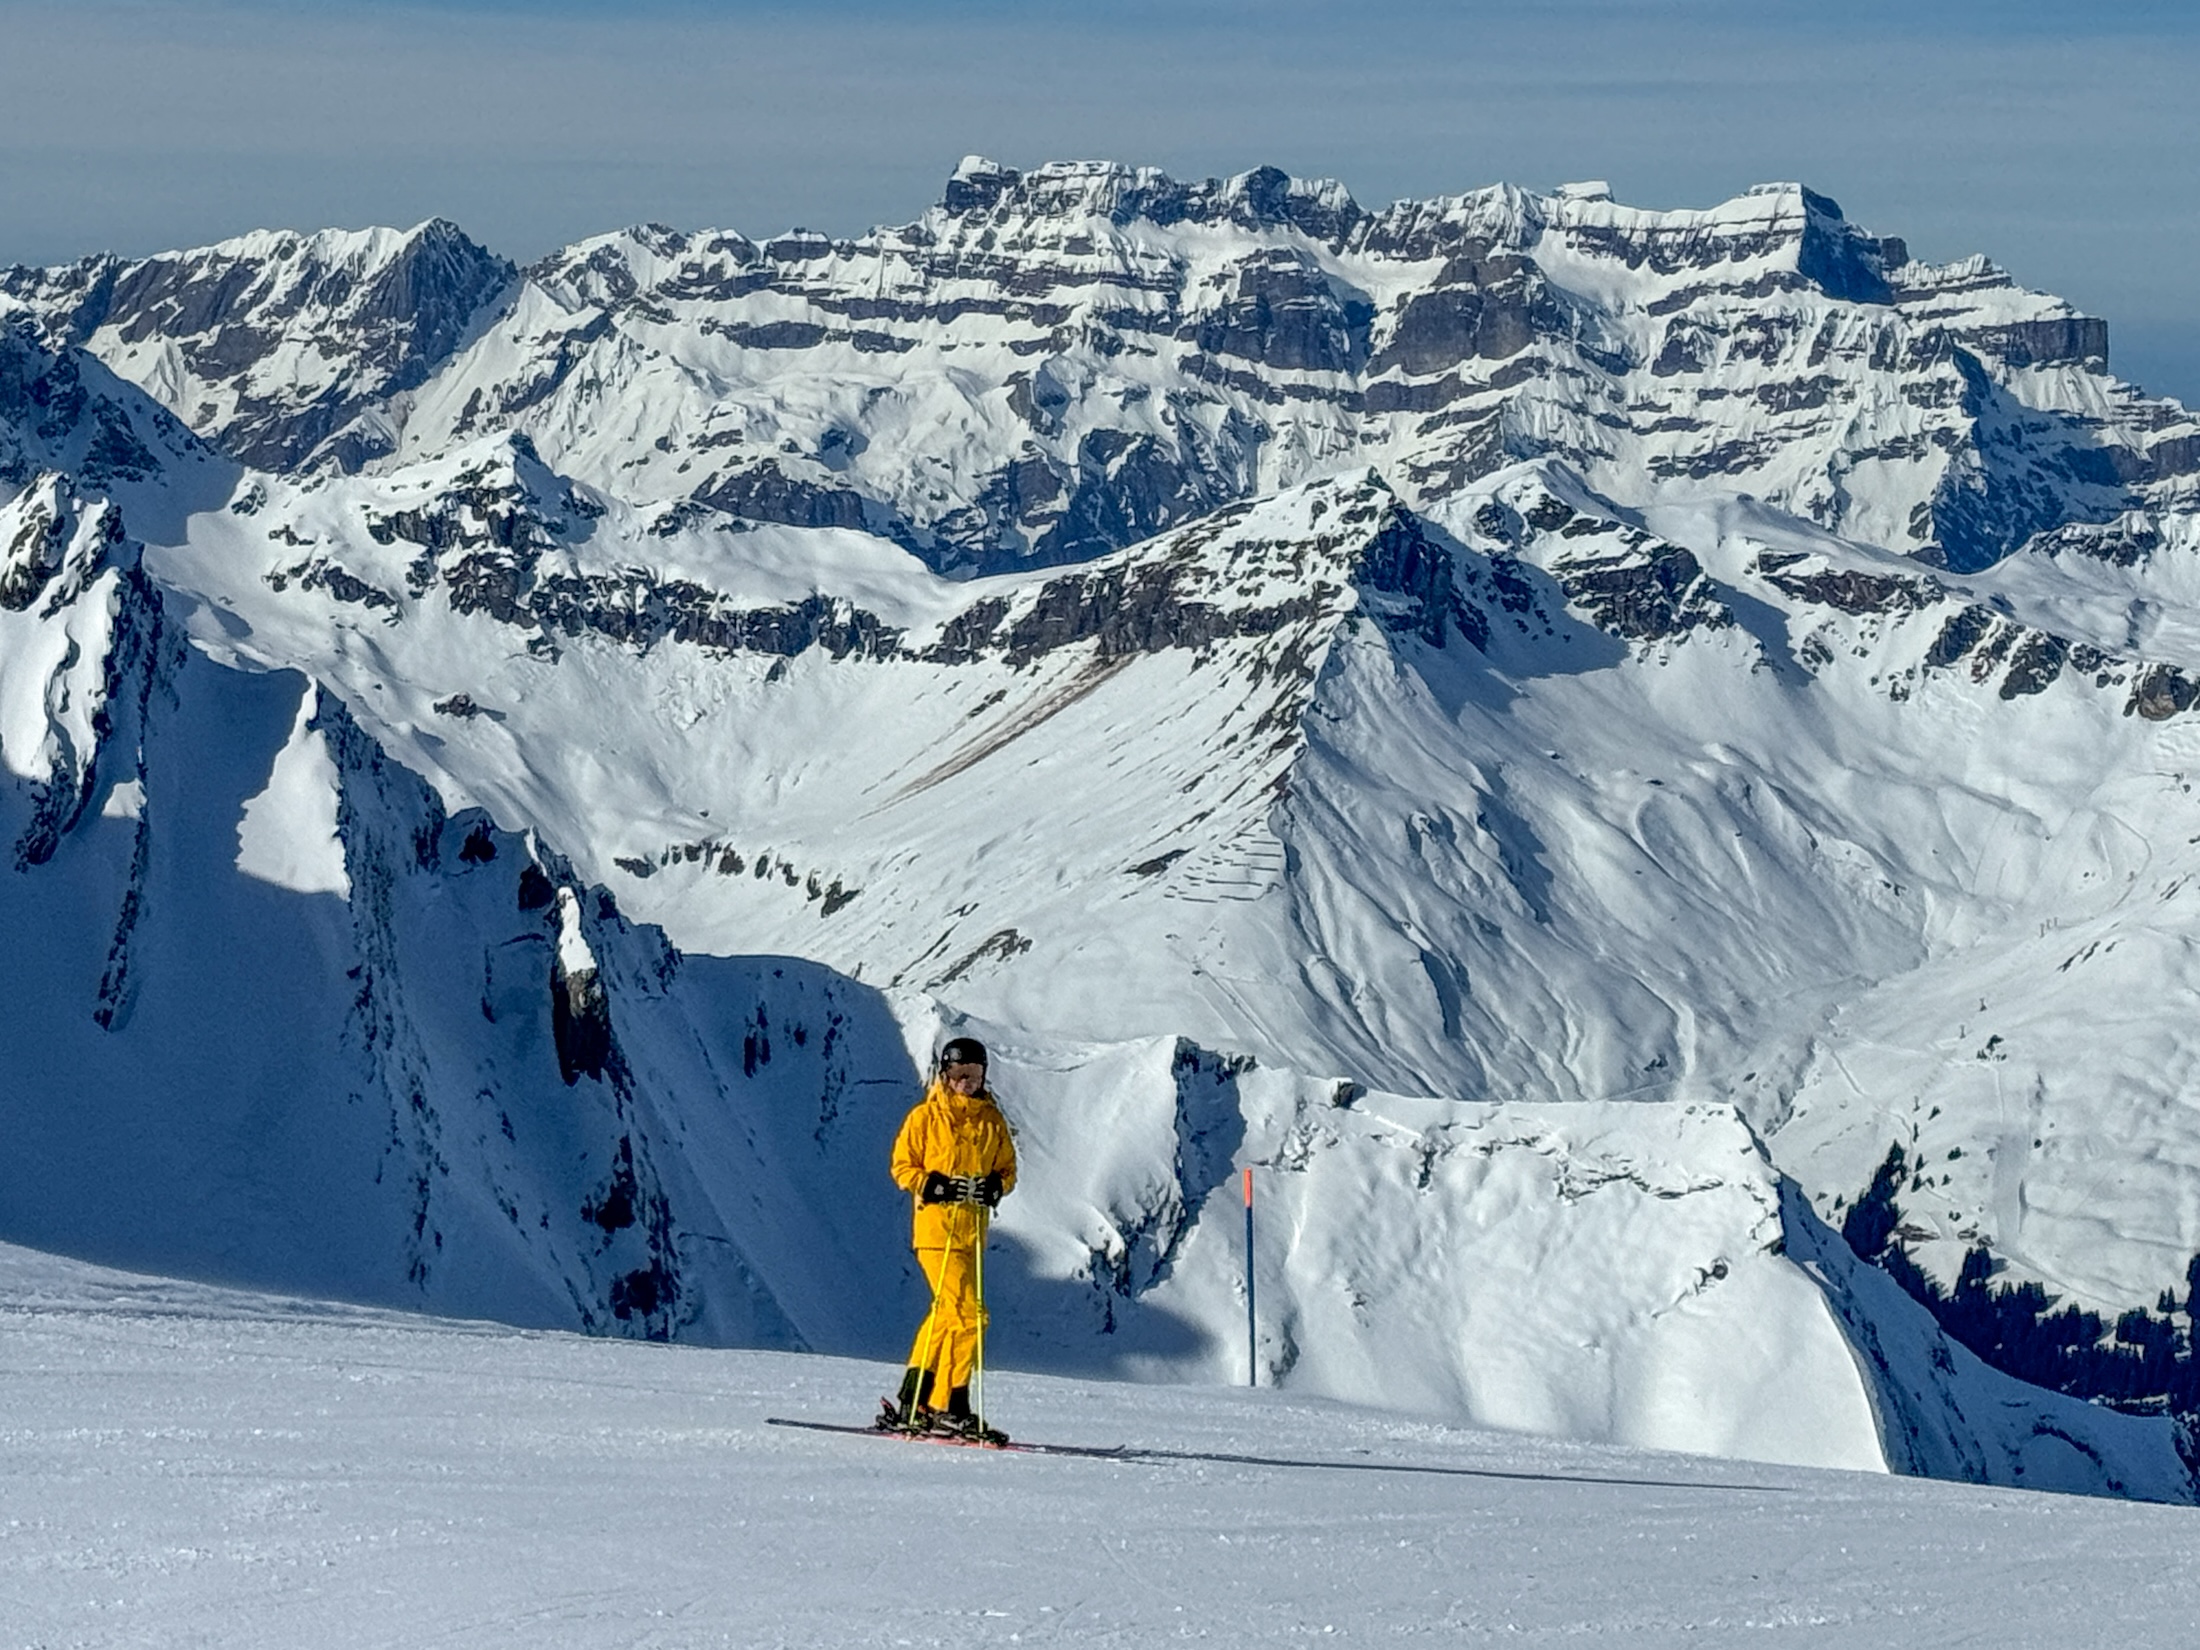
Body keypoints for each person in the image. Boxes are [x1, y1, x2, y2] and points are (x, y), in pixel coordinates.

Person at [879, 1036, 1017, 1442]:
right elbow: (902, 1166)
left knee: (949, 1314)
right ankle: (949, 1403)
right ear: (945, 1075)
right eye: (959, 1076)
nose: (966, 1084)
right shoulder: (925, 1118)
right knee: (968, 1314)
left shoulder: (990, 1121)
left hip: (971, 1234)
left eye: (973, 1076)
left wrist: (994, 1186)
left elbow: (1006, 1169)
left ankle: (918, 1397)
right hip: (936, 1231)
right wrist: (932, 1185)